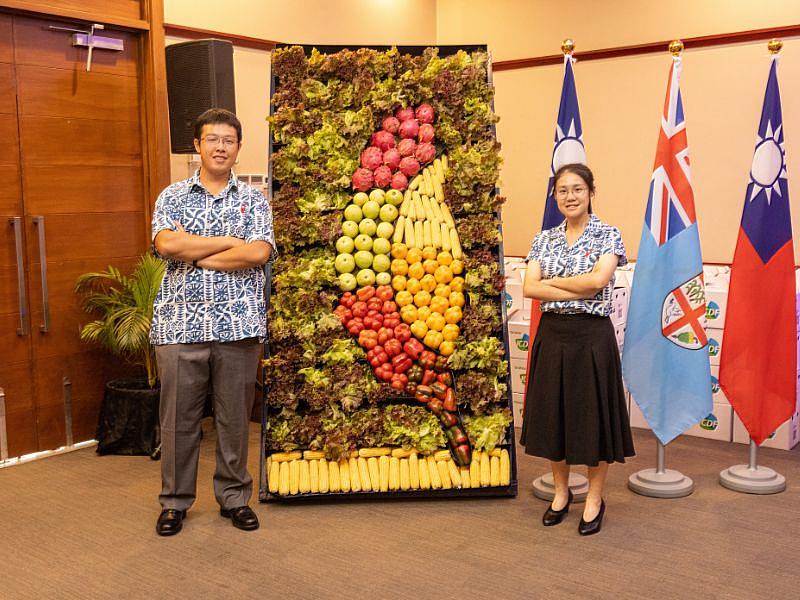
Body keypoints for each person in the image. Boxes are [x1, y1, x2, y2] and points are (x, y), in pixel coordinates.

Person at [150, 108, 276, 536]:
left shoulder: (254, 200)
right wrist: (226, 242)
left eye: (229, 140)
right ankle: (174, 502)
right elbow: (167, 244)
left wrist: (194, 250)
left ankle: (235, 497)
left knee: (233, 419)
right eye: (212, 139)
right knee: (178, 419)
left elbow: (258, 253)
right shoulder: (172, 196)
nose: (221, 146)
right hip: (179, 323)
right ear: (197, 146)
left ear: (238, 149)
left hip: (239, 324)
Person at [520, 163, 634, 536]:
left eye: (577, 189)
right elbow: (529, 289)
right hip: (553, 336)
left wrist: (552, 281)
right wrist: (576, 285)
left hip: (591, 339)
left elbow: (598, 282)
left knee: (592, 421)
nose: (570, 196)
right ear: (555, 197)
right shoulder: (543, 239)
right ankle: (560, 494)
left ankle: (595, 500)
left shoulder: (608, 235)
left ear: (590, 193)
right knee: (556, 418)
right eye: (563, 191)